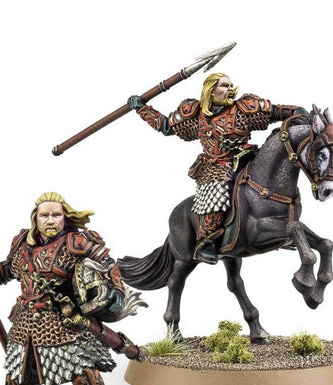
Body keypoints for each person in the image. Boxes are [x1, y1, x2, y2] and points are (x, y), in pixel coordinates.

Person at [0, 192, 144, 385]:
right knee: (20, 371)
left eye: (56, 215)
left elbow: (108, 266)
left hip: (64, 319)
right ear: (35, 218)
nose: (50, 220)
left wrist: (114, 294)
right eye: (44, 215)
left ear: (65, 217)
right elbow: (10, 269)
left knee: (83, 371)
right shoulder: (22, 244)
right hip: (26, 319)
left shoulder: (76, 242)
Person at [128, 73, 307, 264]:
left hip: (246, 159)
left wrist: (299, 114)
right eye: (224, 86)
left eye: (230, 85)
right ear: (211, 90)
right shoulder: (194, 113)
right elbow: (165, 126)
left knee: (274, 179)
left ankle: (277, 225)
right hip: (216, 166)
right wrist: (142, 108)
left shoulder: (244, 108)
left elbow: (278, 111)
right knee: (216, 193)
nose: (230, 89)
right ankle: (206, 240)